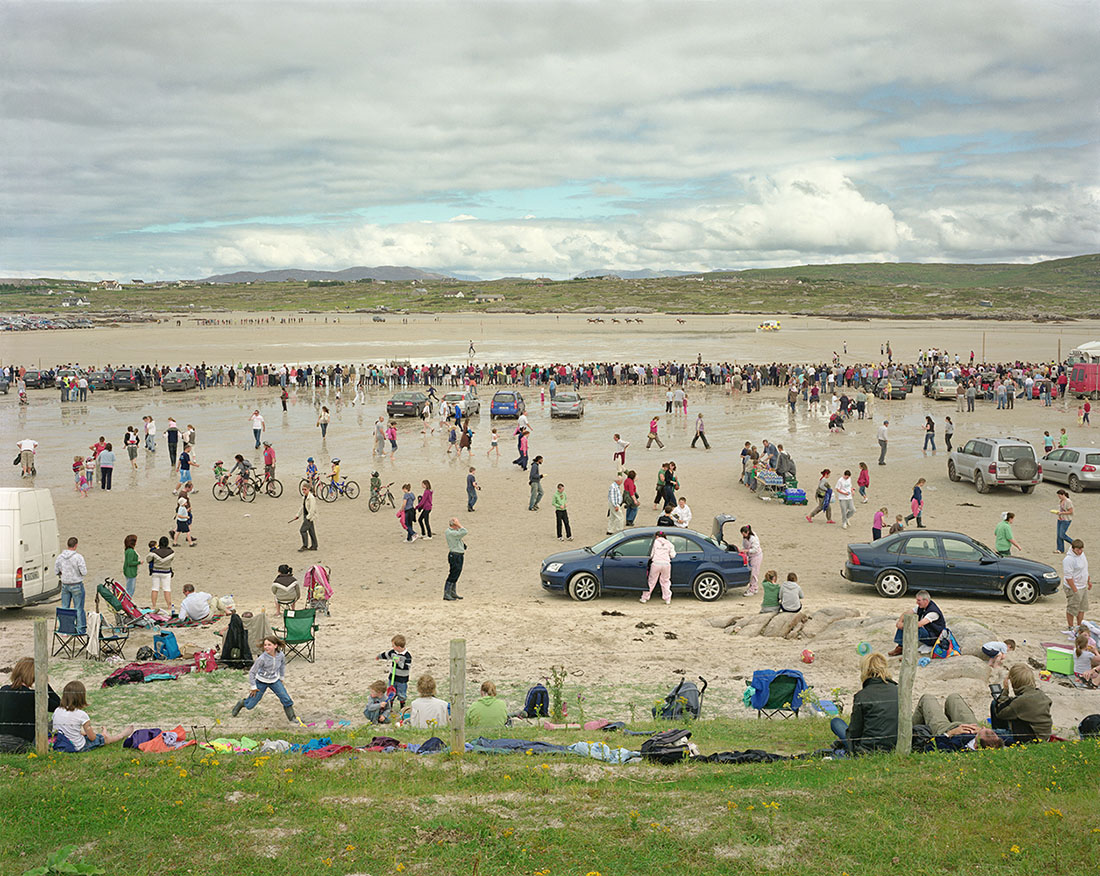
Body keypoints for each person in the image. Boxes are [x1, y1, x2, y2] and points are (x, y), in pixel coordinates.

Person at [830, 652, 898, 754]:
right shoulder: (898, 691)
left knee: (836, 722)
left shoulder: (862, 696)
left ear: (865, 670)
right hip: (894, 745)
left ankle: (841, 746)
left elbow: (855, 731)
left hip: (867, 749)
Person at [231, 636, 297, 723]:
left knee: (286, 698)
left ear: (275, 646)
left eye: (269, 645)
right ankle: (242, 703)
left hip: (274, 680)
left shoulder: (280, 655)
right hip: (261, 682)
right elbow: (252, 672)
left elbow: (282, 666)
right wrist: (253, 686)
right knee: (250, 705)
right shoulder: (261, 658)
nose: (266, 647)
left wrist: (281, 677)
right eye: (265, 645)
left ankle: (292, 718)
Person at [0, 658, 60, 752]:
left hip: (1, 740)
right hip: (21, 744)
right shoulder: (33, 696)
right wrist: (45, 683)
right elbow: (58, 706)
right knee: (55, 721)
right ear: (33, 676)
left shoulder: (3, 690)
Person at [52, 681, 132, 752]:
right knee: (100, 738)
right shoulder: (81, 714)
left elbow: (60, 729)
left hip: (60, 744)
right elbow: (92, 738)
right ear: (81, 697)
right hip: (76, 746)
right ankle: (120, 735)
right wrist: (98, 735)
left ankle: (105, 735)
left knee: (82, 734)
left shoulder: (57, 710)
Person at [911, 693, 1004, 751]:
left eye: (983, 730)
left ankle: (907, 735)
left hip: (947, 730)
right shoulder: (999, 741)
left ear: (976, 745)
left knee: (927, 698)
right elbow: (1013, 736)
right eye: (983, 728)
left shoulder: (962, 749)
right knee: (954, 697)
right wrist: (979, 730)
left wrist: (950, 733)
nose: (983, 727)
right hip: (970, 726)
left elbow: (934, 747)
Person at [990, 664, 1051, 743]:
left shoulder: (1022, 701)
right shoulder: (1040, 694)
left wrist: (1005, 691)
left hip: (1030, 739)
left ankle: (998, 736)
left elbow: (1000, 713)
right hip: (1042, 735)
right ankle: (1001, 732)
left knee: (987, 735)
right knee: (996, 703)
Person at [888, 590, 945, 656]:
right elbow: (907, 613)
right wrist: (900, 622)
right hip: (926, 631)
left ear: (925, 601)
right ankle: (900, 647)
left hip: (933, 637)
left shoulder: (933, 612)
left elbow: (919, 624)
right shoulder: (921, 607)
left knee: (916, 628)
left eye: (918, 600)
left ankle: (909, 652)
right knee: (905, 621)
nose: (917, 602)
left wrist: (903, 626)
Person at [55, 536, 87, 634]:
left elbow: (56, 570)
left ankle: (65, 629)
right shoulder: (78, 557)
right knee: (78, 608)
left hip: (65, 584)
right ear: (76, 545)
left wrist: (62, 573)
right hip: (76, 584)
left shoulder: (60, 557)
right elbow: (84, 572)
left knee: (65, 607)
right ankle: (80, 629)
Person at [1062, 538, 1090, 631]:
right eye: (1078, 550)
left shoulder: (1082, 555)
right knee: (1072, 607)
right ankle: (1070, 626)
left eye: (1082, 549)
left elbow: (1085, 569)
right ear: (1073, 549)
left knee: (1082, 608)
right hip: (1073, 586)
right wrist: (1075, 590)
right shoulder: (1068, 559)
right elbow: (1068, 577)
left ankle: (1079, 626)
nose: (1080, 551)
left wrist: (1088, 581)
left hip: (1083, 585)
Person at [641, 530, 675, 605]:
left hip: (656, 563)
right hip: (666, 564)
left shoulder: (654, 543)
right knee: (665, 581)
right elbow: (673, 555)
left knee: (651, 581)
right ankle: (667, 599)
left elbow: (651, 555)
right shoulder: (669, 544)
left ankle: (645, 598)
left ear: (656, 536)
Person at [377, 634, 412, 703]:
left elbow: (407, 667)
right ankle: (390, 707)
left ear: (398, 647)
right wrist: (379, 656)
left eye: (393, 646)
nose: (392, 647)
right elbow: (387, 654)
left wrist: (399, 662)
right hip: (392, 677)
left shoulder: (407, 656)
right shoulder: (393, 652)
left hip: (402, 680)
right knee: (390, 694)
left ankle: (402, 707)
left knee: (401, 694)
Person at [147, 536, 175, 613]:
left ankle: (153, 605)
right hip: (166, 572)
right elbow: (171, 559)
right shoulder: (171, 552)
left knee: (155, 588)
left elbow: (148, 559)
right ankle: (169, 605)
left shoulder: (154, 552)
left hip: (156, 571)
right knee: (167, 589)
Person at [443, 517, 467, 601]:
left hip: (459, 554)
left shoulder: (453, 532)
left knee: (457, 573)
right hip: (454, 555)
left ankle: (452, 592)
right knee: (453, 573)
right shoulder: (450, 532)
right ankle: (447, 593)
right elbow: (464, 531)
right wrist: (459, 525)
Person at [292, 483, 319, 552]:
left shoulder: (311, 498)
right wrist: (298, 515)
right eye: (303, 489)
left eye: (305, 489)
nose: (303, 491)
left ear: (309, 489)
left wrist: (308, 518)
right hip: (306, 515)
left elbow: (312, 509)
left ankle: (305, 545)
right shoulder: (304, 497)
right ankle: (314, 545)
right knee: (311, 531)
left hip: (309, 516)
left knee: (302, 530)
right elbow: (302, 507)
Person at [741, 525, 762, 596]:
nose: (743, 536)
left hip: (756, 556)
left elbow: (755, 549)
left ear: (748, 532)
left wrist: (746, 550)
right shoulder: (745, 538)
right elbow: (744, 545)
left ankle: (752, 589)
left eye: (744, 534)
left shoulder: (753, 539)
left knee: (754, 573)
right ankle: (754, 587)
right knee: (751, 572)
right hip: (750, 556)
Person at [1055, 489, 1074, 554]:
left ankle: (1073, 542)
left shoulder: (1068, 502)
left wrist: (1062, 513)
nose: (1059, 497)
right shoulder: (1061, 501)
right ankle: (1060, 549)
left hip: (1066, 520)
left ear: (1063, 495)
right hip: (1060, 519)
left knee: (1062, 535)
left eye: (1060, 496)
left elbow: (1071, 511)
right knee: (1058, 535)